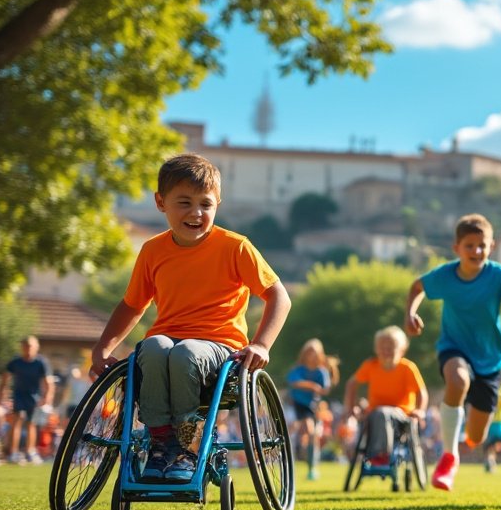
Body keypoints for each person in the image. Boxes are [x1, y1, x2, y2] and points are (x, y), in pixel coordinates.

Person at [90, 153, 290, 484]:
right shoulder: (153, 251)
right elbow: (132, 305)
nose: (196, 213)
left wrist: (261, 344)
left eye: (205, 204)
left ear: (217, 205)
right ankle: (160, 442)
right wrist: (102, 348)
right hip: (167, 341)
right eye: (184, 202)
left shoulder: (235, 247)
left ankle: (185, 445)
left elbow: (278, 296)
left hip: (219, 346)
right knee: (151, 346)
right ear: (160, 202)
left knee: (187, 353)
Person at [406, 213, 501, 491]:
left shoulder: (498, 275)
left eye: (482, 245)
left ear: (491, 247)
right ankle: (448, 457)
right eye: (469, 245)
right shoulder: (445, 275)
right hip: (453, 347)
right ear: (457, 249)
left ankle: (463, 439)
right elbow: (416, 287)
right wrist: (410, 314)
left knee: (477, 437)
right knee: (457, 380)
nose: (476, 251)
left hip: (490, 360)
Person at [344, 326, 428, 468]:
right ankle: (378, 453)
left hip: (402, 414)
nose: (386, 351)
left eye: (391, 347)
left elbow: (421, 392)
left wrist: (420, 410)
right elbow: (352, 384)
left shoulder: (407, 368)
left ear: (401, 350)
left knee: (383, 413)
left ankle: (382, 454)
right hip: (375, 413)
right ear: (376, 349)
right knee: (377, 414)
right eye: (382, 347)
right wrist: (350, 408)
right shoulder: (370, 366)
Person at [0, 336, 53, 464]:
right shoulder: (16, 362)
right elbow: (5, 379)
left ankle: (30, 452)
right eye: (25, 346)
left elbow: (48, 382)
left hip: (34, 397)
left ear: (36, 347)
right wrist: (2, 393)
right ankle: (13, 453)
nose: (27, 349)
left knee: (31, 424)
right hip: (18, 395)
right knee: (18, 420)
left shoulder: (41, 363)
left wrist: (47, 397)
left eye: (30, 346)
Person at [287, 338, 333, 481]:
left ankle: (312, 466)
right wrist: (312, 386)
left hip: (313, 405)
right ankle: (297, 459)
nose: (311, 356)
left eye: (314, 353)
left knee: (312, 435)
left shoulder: (322, 371)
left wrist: (318, 389)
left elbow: (325, 389)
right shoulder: (298, 369)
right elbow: (294, 382)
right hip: (299, 403)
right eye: (309, 353)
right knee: (308, 430)